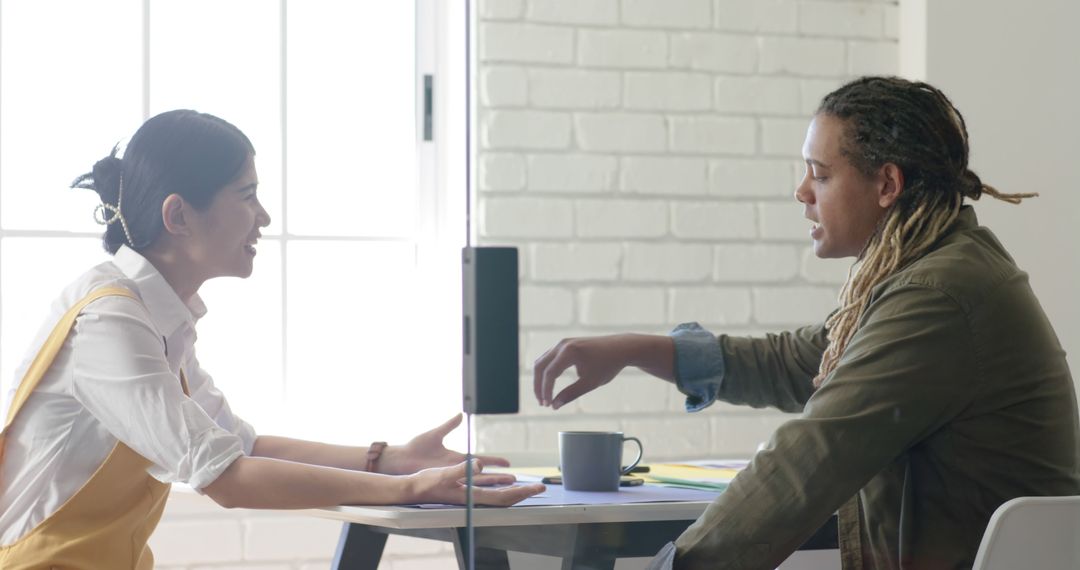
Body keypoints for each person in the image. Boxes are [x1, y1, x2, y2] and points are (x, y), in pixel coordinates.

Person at [534, 76, 1080, 569]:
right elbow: (800, 362)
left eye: (819, 174)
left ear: (887, 185)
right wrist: (633, 349)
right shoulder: (937, 271)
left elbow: (810, 458)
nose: (801, 192)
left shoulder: (938, 295)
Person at [0, 110, 544, 568]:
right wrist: (410, 491)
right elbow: (227, 478)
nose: (263, 216)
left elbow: (242, 445)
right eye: (247, 195)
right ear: (179, 215)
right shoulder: (110, 324)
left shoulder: (155, 318)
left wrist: (390, 458)